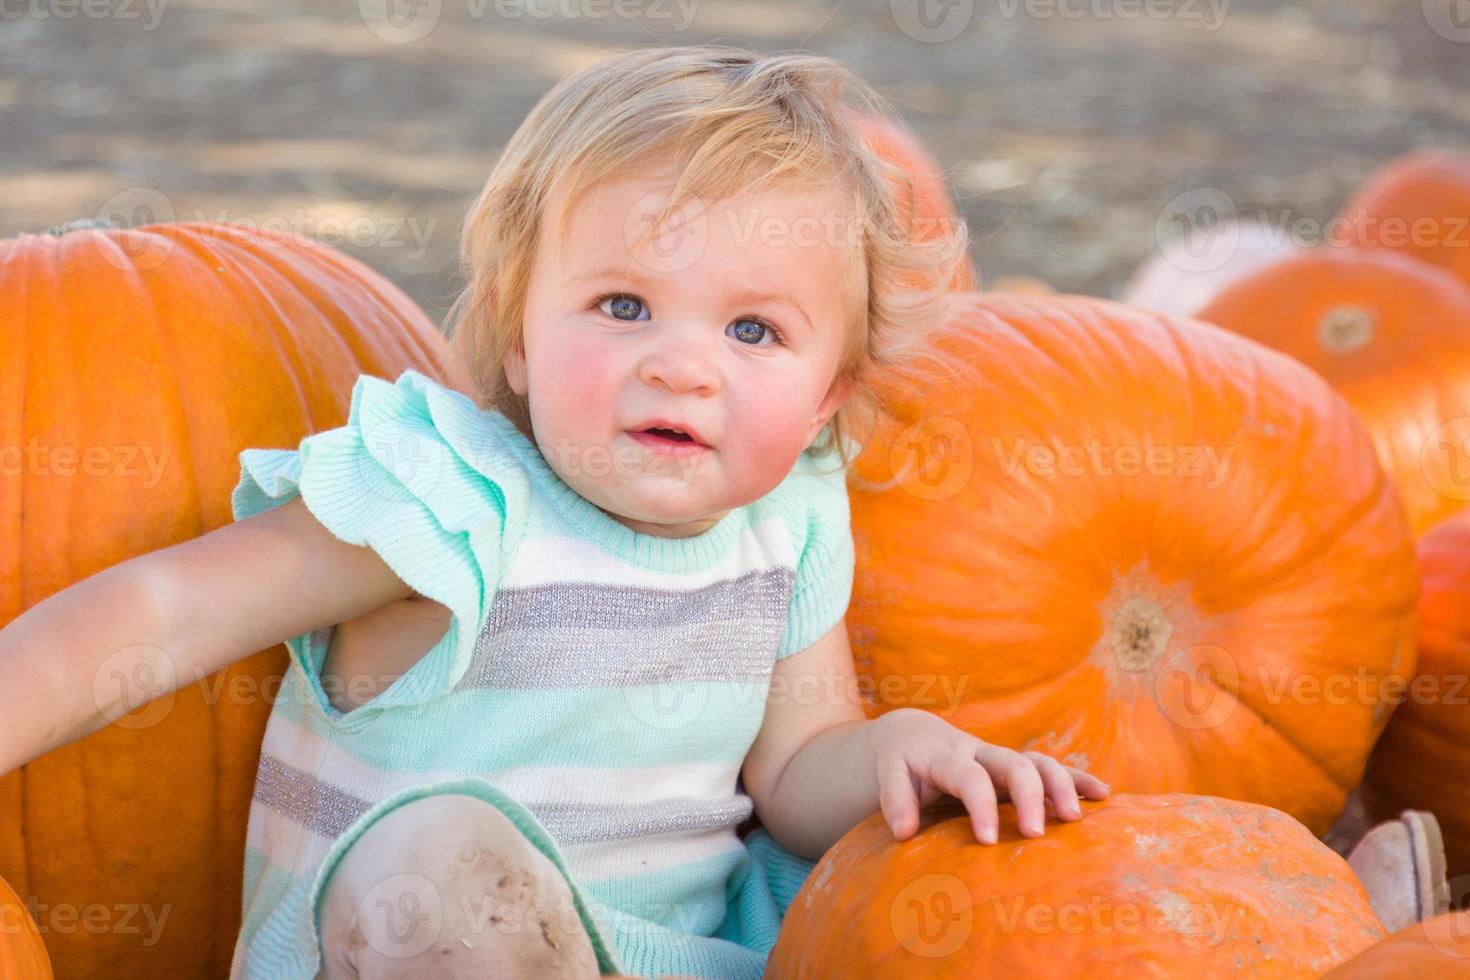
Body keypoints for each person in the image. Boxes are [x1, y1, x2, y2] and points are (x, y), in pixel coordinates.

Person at [0, 43, 1438, 980]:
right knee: (438, 860)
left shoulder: (791, 520)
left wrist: (901, 751)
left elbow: (795, 770)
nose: (678, 359)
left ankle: (1302, 929)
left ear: (825, 397)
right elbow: (160, 611)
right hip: (424, 947)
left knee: (976, 868)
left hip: (696, 955)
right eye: (620, 304)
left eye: (753, 332)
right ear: (515, 332)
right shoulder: (446, 498)